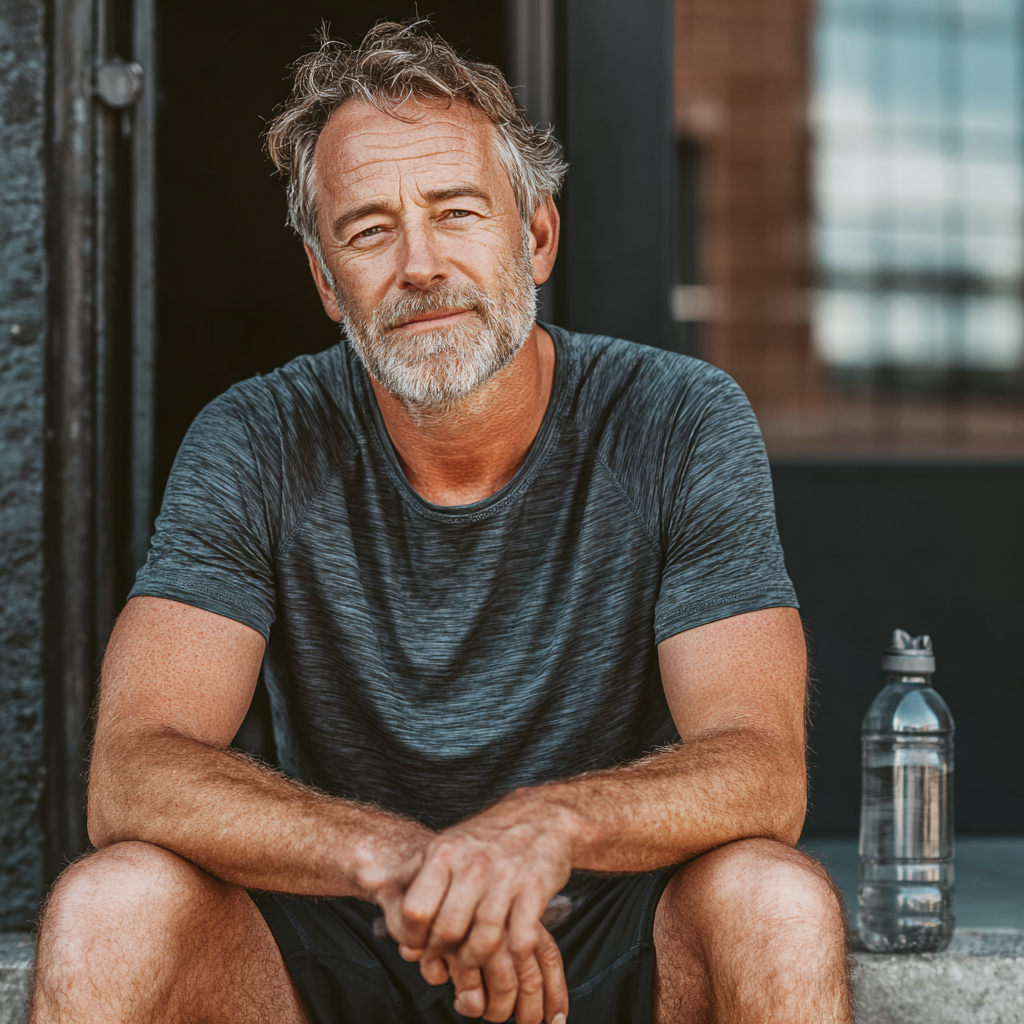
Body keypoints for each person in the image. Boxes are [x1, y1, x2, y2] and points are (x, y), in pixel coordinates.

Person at [30, 21, 852, 1024]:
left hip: (604, 942)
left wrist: (544, 828)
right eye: (368, 229)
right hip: (335, 941)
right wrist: (400, 859)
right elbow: (131, 771)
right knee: (107, 905)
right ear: (327, 281)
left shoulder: (677, 419)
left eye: (456, 212)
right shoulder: (256, 437)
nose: (419, 265)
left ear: (534, 235)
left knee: (778, 901)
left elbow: (761, 768)